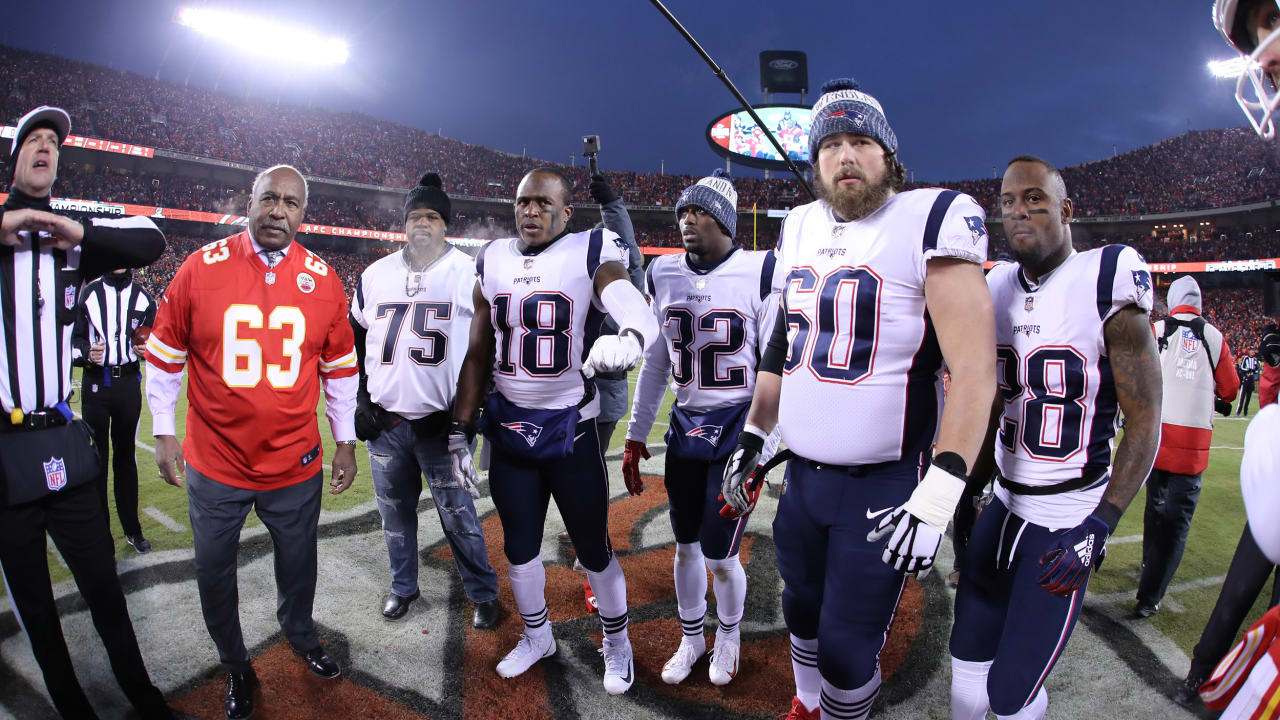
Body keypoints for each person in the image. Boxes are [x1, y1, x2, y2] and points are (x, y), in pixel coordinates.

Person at [721, 79, 996, 720]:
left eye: (861, 142)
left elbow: (975, 371)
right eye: (833, 145)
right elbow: (784, 345)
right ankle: (810, 707)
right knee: (801, 615)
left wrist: (939, 494)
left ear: (889, 157)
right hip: (803, 480)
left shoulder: (931, 218)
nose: (847, 156)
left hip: (885, 484)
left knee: (849, 649)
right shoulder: (799, 227)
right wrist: (755, 438)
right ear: (816, 161)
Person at [949, 156, 1163, 720]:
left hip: (1068, 515)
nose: (1019, 212)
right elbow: (989, 400)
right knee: (966, 676)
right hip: (1003, 504)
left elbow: (1145, 420)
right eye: (1009, 202)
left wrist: (1101, 525)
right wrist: (965, 491)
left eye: (1034, 199)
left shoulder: (1106, 276)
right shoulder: (994, 284)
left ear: (1065, 210)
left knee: (1012, 693)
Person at [145, 164, 359, 720]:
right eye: (269, 198)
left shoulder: (325, 279)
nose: (277, 211)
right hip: (216, 462)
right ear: (250, 202)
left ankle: (301, 634)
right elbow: (166, 358)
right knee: (213, 571)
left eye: (290, 203)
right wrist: (163, 430)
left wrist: (346, 439)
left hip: (294, 461)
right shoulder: (199, 268)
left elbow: (339, 369)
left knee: (299, 563)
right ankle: (236, 663)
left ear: (303, 214)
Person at [0, 105, 182, 719]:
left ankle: (145, 701)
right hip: (2, 449)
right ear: (15, 156)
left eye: (54, 142)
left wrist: (75, 230)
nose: (46, 148)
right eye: (34, 140)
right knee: (36, 606)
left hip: (62, 441)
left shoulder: (69, 237)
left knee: (104, 588)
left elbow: (152, 240)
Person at [449, 167, 659, 694]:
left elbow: (624, 293)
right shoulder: (492, 257)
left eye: (543, 203)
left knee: (592, 547)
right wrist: (460, 428)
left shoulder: (590, 248)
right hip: (511, 431)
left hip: (572, 430)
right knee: (519, 549)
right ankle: (538, 635)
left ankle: (617, 640)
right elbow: (478, 351)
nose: (531, 211)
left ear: (567, 212)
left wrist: (633, 331)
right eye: (523, 202)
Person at [622, 169, 779, 687]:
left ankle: (729, 635)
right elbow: (656, 361)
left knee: (720, 550)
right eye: (684, 211)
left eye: (702, 211)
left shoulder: (761, 272)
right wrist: (636, 433)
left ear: (727, 222)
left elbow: (777, 367)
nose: (689, 220)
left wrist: (767, 444)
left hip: (739, 426)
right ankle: (692, 637)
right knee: (685, 545)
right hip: (687, 426)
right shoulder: (663, 273)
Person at [349, 173, 500, 628]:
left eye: (432, 216)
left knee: (460, 517)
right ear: (404, 223)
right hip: (387, 424)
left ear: (445, 225)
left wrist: (469, 415)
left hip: (443, 427)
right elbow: (355, 341)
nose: (422, 224)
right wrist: (361, 397)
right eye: (415, 216)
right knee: (394, 519)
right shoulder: (374, 274)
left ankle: (484, 593)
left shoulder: (471, 271)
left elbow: (490, 347)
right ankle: (403, 587)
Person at [1135, 275, 1239, 617]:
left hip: (1157, 437)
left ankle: (1147, 563)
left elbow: (1138, 373)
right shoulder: (1214, 337)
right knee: (1176, 521)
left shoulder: (1157, 330)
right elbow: (1231, 389)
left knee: (1154, 505)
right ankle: (1150, 596)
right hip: (1192, 445)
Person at [72, 266, 156, 552]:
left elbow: (159, 340)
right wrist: (85, 353)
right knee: (97, 460)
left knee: (125, 458)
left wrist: (150, 349)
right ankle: (100, 536)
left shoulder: (145, 299)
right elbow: (72, 341)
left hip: (128, 383)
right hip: (96, 384)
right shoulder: (89, 294)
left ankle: (133, 530)